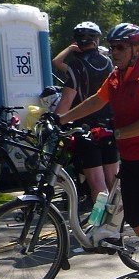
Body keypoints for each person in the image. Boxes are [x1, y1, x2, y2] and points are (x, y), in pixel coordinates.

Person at [59, 23, 139, 279]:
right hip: (132, 156)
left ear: (137, 49)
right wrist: (62, 117)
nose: (114, 52)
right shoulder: (116, 76)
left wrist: (115, 133)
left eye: (120, 48)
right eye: (112, 47)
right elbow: (95, 101)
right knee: (136, 219)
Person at [52, 21, 118, 198]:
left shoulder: (76, 64)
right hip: (109, 126)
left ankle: (101, 224)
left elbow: (66, 100)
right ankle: (120, 222)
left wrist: (53, 121)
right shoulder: (108, 62)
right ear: (96, 40)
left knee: (97, 184)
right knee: (113, 182)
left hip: (86, 128)